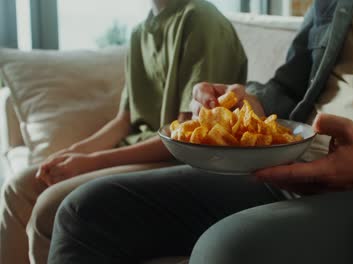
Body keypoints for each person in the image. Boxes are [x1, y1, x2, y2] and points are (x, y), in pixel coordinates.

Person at [47, 0, 353, 263]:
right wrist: (249, 104)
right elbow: (290, 85)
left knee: (225, 251)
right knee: (85, 212)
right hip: (293, 161)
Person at [0, 0, 247, 263]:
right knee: (19, 187)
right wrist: (72, 152)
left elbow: (187, 137)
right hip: (140, 149)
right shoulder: (140, 31)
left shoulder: (200, 20)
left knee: (51, 202)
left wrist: (91, 163)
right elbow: (124, 120)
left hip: (174, 157)